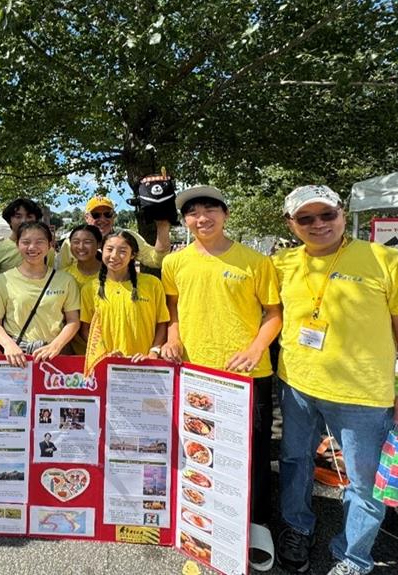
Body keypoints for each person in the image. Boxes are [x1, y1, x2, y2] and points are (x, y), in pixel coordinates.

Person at [272, 185, 398, 575]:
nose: (318, 224)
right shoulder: (282, 264)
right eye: (306, 218)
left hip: (362, 394)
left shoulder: (383, 258)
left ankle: (353, 556)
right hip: (297, 386)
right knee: (294, 461)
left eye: (327, 215)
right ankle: (297, 527)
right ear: (291, 225)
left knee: (364, 483)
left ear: (343, 214)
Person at [160, 185, 282, 570]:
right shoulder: (174, 263)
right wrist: (174, 338)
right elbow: (173, 308)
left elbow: (274, 313)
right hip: (195, 370)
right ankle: (204, 515)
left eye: (210, 209)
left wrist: (256, 348)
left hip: (246, 373)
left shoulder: (256, 261)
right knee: (199, 444)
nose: (202, 217)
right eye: (192, 212)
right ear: (185, 222)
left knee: (252, 452)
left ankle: (254, 520)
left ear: (225, 214)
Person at [0, 221, 81, 366]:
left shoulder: (66, 280)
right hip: (16, 355)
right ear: (17, 245)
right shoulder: (2, 280)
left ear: (50, 244)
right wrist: (9, 345)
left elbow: (73, 320)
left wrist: (55, 346)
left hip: (54, 355)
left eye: (40, 242)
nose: (32, 247)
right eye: (26, 242)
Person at [80, 231, 169, 372]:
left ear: (132, 255)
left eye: (122, 251)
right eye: (109, 249)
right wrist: (103, 354)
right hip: (107, 366)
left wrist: (153, 352)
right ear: (101, 251)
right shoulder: (90, 288)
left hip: (146, 365)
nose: (114, 256)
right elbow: (86, 329)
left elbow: (162, 323)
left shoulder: (152, 284)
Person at [58, 195, 171, 270]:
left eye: (107, 214)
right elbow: (60, 273)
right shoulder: (71, 243)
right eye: (96, 215)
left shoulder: (128, 237)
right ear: (86, 217)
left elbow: (157, 261)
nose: (102, 219)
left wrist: (163, 226)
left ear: (114, 216)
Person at [0, 198, 54, 277]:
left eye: (29, 216)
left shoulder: (47, 251)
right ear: (9, 220)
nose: (23, 221)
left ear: (36, 220)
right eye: (18, 216)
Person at [63, 224, 103, 355]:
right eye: (76, 242)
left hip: (106, 346)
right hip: (71, 347)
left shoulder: (112, 274)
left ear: (98, 244)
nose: (81, 247)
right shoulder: (63, 276)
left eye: (87, 242)